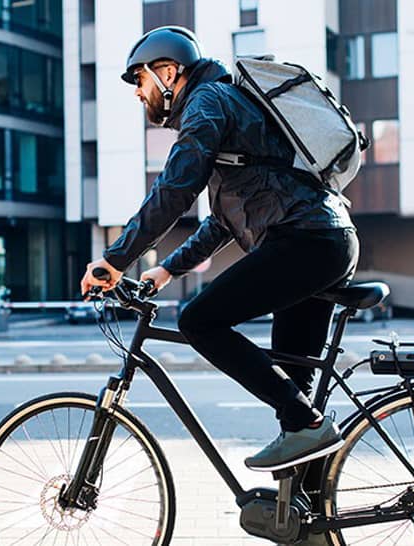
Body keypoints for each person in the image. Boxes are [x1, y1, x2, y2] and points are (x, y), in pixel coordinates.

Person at [80, 26, 359, 472]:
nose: (138, 93)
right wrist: (166, 270)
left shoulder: (207, 103)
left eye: (140, 80)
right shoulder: (228, 105)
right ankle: (307, 524)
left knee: (199, 320)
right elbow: (225, 220)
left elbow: (175, 188)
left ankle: (303, 426)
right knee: (295, 397)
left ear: (169, 72)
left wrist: (115, 259)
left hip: (304, 241)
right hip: (324, 239)